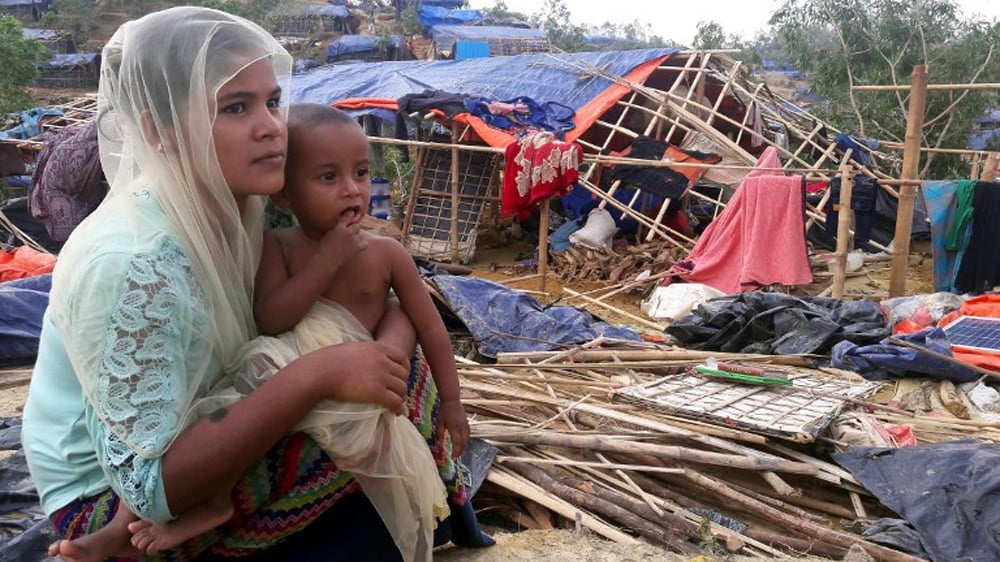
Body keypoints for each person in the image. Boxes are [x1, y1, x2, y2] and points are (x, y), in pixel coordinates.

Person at [21, 7, 489, 562]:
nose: (271, 125)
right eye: (235, 107)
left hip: (216, 415)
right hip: (111, 496)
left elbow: (391, 303)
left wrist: (381, 345)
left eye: (271, 101)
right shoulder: (131, 262)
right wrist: (319, 375)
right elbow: (148, 488)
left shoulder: (238, 211)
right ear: (158, 130)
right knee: (374, 421)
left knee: (396, 383)